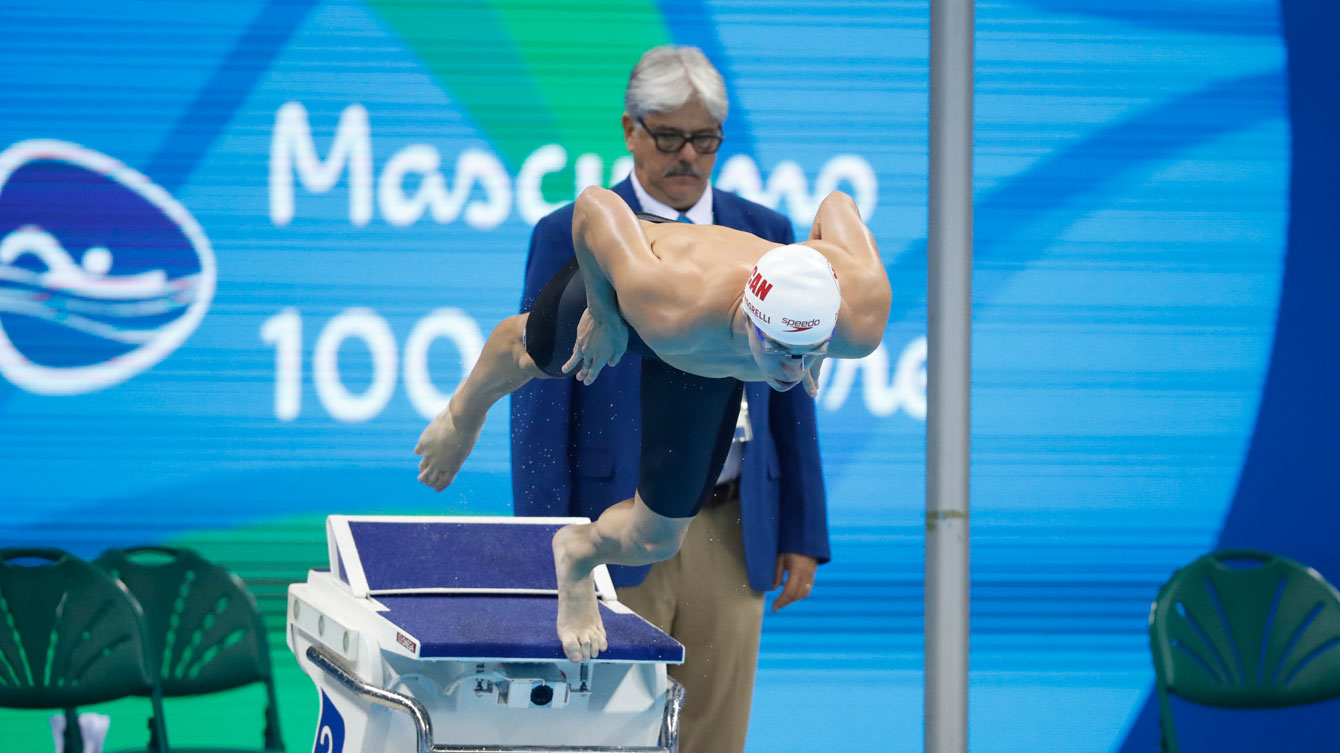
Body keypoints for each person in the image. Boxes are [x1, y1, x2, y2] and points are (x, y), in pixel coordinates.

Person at [509, 45, 829, 753]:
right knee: (603, 733)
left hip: (733, 525)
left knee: (716, 732)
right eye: (668, 137)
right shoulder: (568, 233)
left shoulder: (769, 233)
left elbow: (792, 398)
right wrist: (543, 543)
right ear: (629, 129)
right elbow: (538, 399)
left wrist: (802, 527)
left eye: (704, 139)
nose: (687, 155)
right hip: (615, 521)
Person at [414, 181, 890, 649]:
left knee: (656, 538)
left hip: (706, 359)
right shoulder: (665, 300)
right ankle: (462, 414)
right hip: (649, 296)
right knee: (534, 355)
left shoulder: (859, 319)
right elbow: (593, 205)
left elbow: (837, 203)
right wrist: (603, 312)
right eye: (783, 350)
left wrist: (808, 297)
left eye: (810, 351)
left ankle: (577, 553)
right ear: (751, 319)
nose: (793, 370)